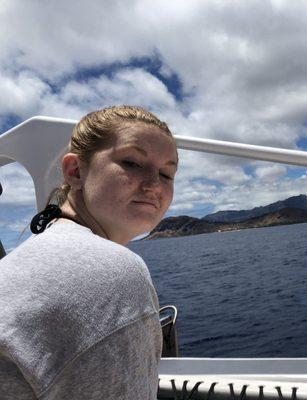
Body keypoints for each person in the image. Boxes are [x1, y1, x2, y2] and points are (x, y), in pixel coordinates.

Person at [0, 105, 178, 399]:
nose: (154, 185)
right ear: (75, 171)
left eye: (167, 173)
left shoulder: (29, 258)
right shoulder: (112, 271)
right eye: (132, 162)